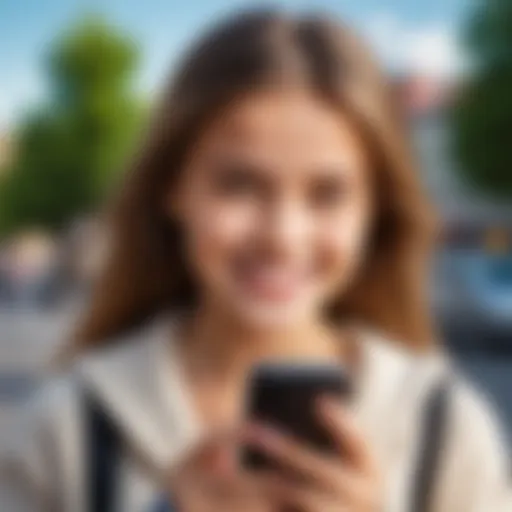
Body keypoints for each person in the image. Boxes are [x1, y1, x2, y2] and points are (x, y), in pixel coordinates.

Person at [1, 9, 509, 512]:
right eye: (239, 185)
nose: (283, 237)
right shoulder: (65, 428)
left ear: (374, 209)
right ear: (173, 187)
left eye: (327, 194)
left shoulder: (445, 431)